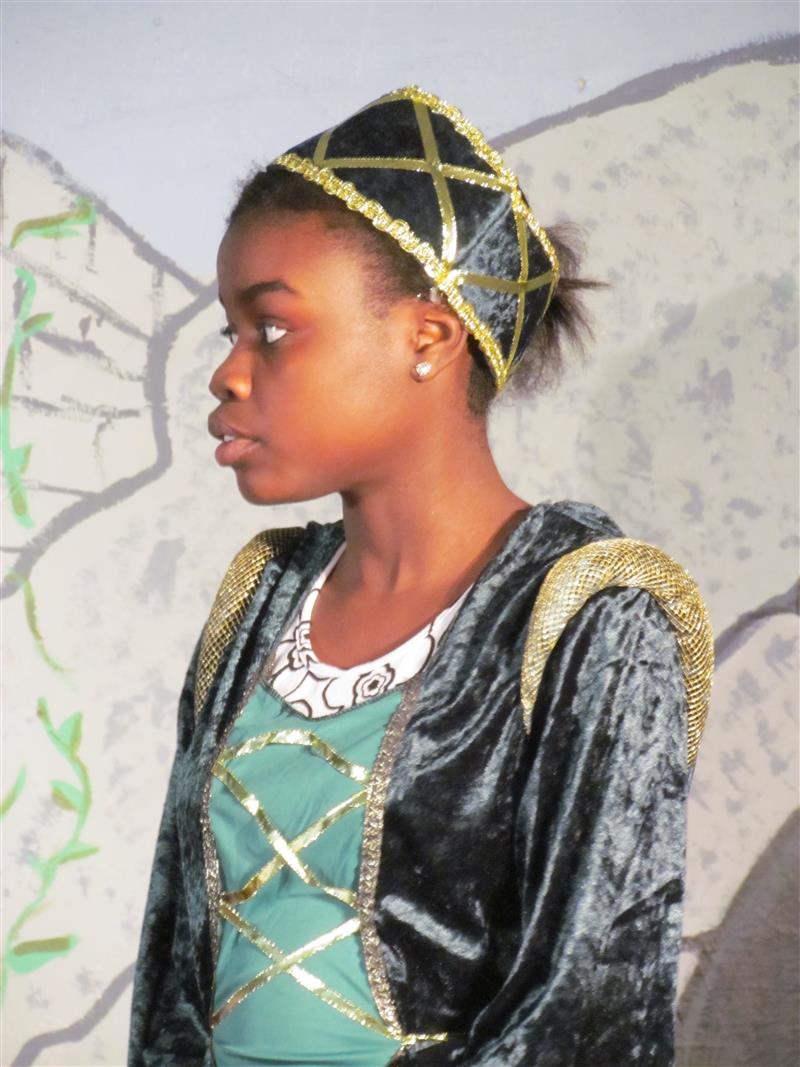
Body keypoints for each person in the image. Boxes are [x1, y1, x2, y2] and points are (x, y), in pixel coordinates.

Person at [127, 86, 714, 1067]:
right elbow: (171, 970)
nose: (227, 373)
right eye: (230, 332)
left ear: (427, 340)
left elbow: (585, 1012)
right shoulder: (261, 599)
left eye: (271, 329)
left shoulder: (590, 619)